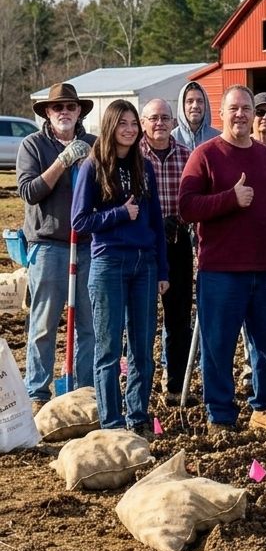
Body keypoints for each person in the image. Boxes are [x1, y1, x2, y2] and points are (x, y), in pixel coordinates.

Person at [179, 85, 266, 435]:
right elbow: (187, 208)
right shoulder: (205, 155)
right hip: (220, 271)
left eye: (247, 108)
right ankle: (220, 414)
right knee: (217, 346)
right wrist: (229, 199)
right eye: (234, 108)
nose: (241, 115)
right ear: (222, 113)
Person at [71, 100, 168, 437]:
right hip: (109, 262)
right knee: (109, 348)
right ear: (111, 125)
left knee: (143, 348)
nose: (129, 129)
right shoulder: (92, 166)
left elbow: (155, 221)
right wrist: (119, 214)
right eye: (122, 123)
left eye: (132, 123)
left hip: (145, 264)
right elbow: (80, 220)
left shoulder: (145, 166)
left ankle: (137, 417)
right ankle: (112, 424)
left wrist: (164, 270)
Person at [18, 84, 97, 410]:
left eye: (70, 106)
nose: (64, 112)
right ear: (47, 113)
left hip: (89, 246)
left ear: (79, 111)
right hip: (49, 246)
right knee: (43, 325)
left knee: (89, 327)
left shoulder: (95, 145)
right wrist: (63, 162)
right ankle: (37, 394)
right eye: (57, 107)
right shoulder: (33, 145)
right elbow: (30, 191)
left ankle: (83, 393)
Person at [139, 98, 194, 405]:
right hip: (143, 245)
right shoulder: (133, 157)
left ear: (174, 123)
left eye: (165, 118)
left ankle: (175, 386)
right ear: (143, 123)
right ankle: (142, 385)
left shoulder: (187, 156)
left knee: (178, 318)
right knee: (143, 318)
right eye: (153, 118)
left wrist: (182, 220)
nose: (159, 123)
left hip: (177, 242)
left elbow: (196, 201)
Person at [172, 80, 219, 151]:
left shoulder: (217, 138)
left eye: (200, 101)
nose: (195, 106)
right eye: (190, 101)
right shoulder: (171, 139)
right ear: (182, 106)